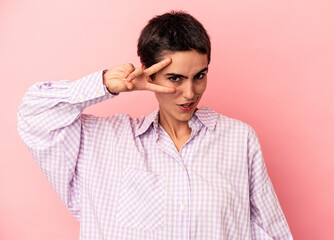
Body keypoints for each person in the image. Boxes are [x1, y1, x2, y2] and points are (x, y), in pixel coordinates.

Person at [17, 10, 292, 239]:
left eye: (199, 75)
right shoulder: (101, 141)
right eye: (174, 78)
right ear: (149, 72)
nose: (190, 92)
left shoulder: (238, 139)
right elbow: (34, 114)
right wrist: (103, 84)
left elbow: (271, 230)